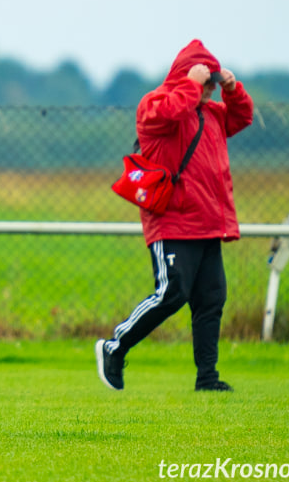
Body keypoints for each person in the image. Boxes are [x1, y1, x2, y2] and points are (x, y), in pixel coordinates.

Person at [96, 39, 253, 392]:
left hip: (209, 223)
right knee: (172, 292)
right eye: (207, 82)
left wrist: (233, 89)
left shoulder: (212, 114)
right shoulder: (155, 105)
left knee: (211, 299)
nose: (210, 90)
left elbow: (241, 118)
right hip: (172, 221)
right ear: (187, 77)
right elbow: (171, 113)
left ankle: (207, 378)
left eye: (212, 84)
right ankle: (114, 347)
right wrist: (191, 84)